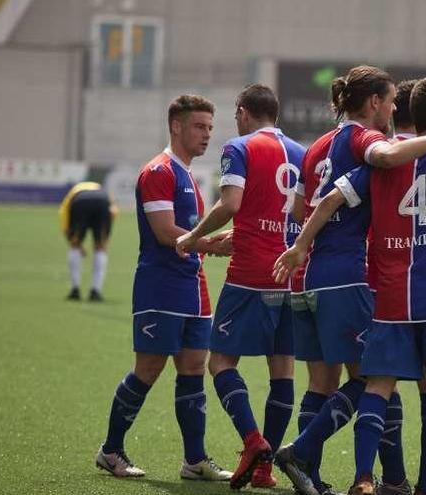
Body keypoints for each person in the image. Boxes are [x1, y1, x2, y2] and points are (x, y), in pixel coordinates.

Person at [274, 73, 426, 495]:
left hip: (390, 291)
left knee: (377, 383)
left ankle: (357, 475)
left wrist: (300, 246)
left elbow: (331, 199)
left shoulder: (382, 159)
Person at [94, 94, 232, 481]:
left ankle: (195, 460)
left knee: (193, 368)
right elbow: (165, 232)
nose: (207, 135)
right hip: (161, 287)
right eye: (199, 127)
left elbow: (189, 234)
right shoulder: (159, 171)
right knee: (149, 368)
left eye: (209, 127)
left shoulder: (189, 173)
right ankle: (110, 451)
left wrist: (213, 242)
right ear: (176, 126)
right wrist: (212, 244)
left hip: (193, 285)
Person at [175, 84, 306, 489]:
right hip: (291, 272)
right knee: (282, 367)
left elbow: (231, 203)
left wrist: (191, 236)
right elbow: (285, 214)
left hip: (251, 273)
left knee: (220, 362)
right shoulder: (303, 153)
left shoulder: (240, 146)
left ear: (243, 112)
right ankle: (265, 470)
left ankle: (254, 442)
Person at [58, 181, 117, 301]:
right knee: (101, 249)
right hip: (102, 202)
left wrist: (75, 242)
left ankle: (75, 290)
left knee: (74, 247)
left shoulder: (73, 193)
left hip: (80, 201)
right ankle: (95, 291)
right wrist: (104, 238)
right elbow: (113, 211)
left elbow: (63, 215)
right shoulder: (102, 191)